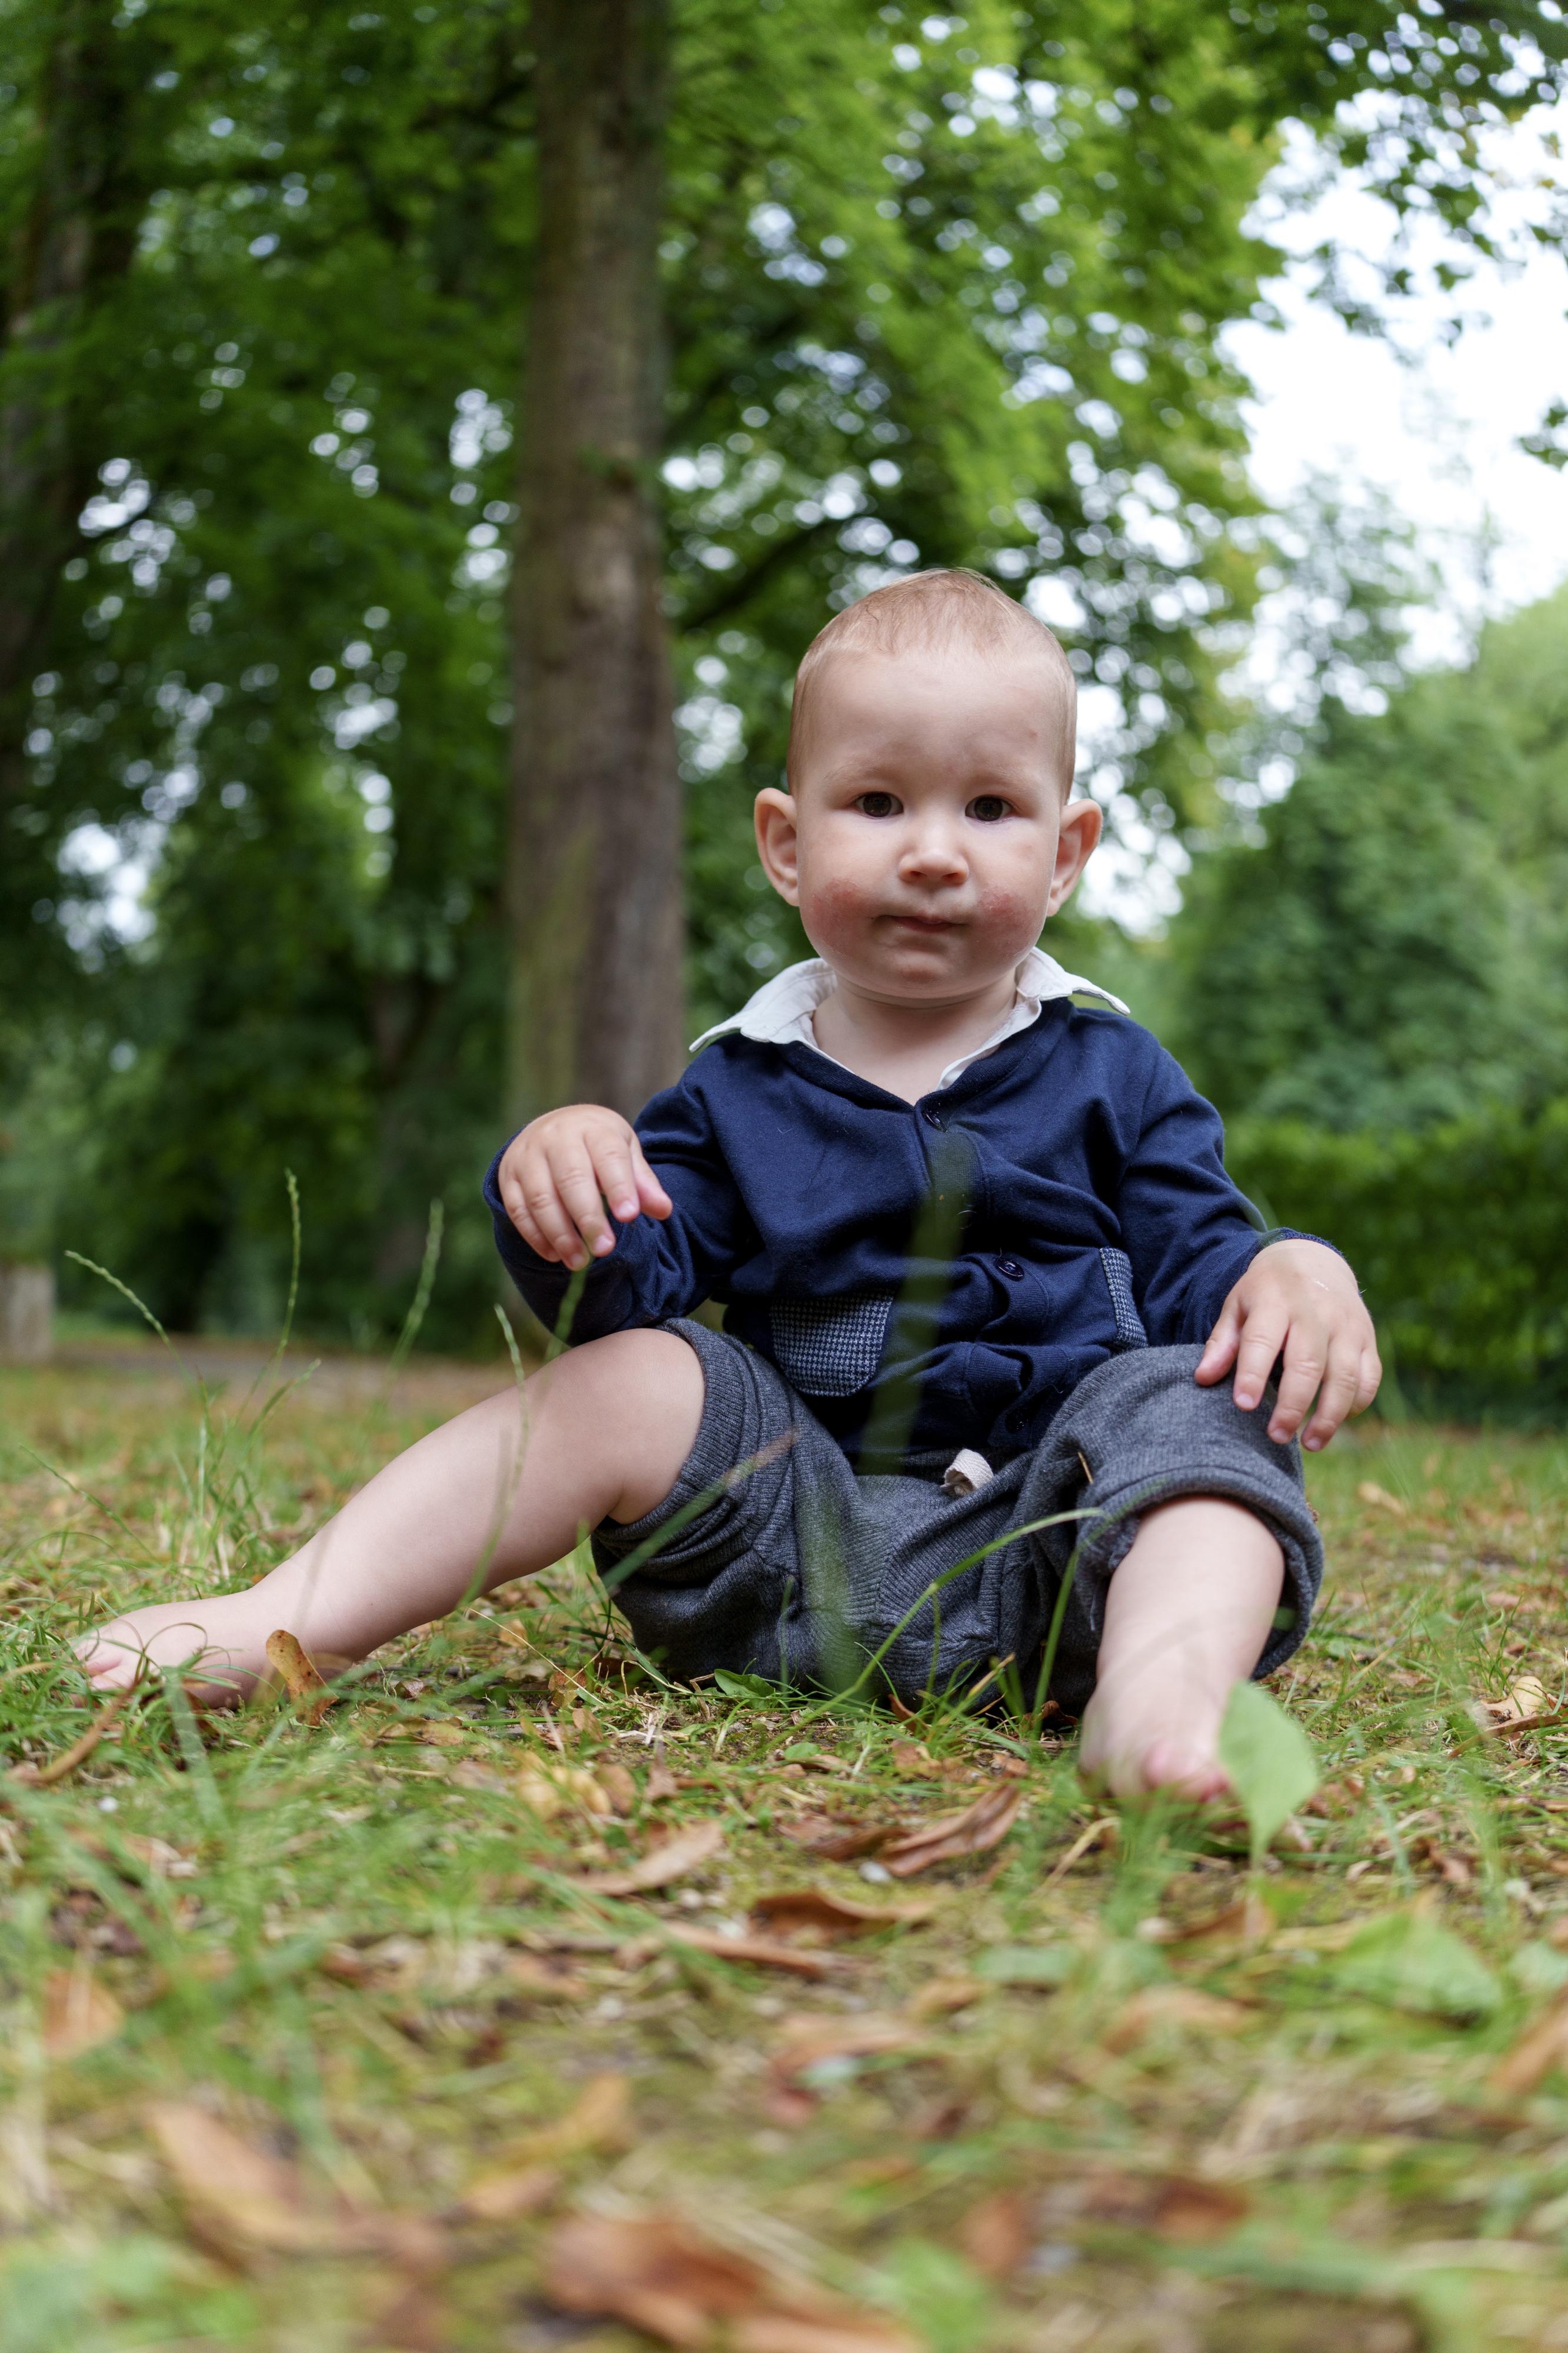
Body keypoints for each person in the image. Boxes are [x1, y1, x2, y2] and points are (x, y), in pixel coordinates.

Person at [78, 570, 1379, 1797]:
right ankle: (289, 1617)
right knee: (647, 1372)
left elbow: (1204, 1261)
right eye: (878, 803)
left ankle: (1156, 1703)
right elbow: (622, 1297)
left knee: (1199, 1406)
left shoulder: (1117, 1071)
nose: (934, 852)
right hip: (782, 1558)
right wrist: (573, 1184)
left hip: (1067, 1562)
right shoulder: (735, 1090)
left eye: (990, 809)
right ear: (786, 843)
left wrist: (1291, 1268)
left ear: (1065, 852)